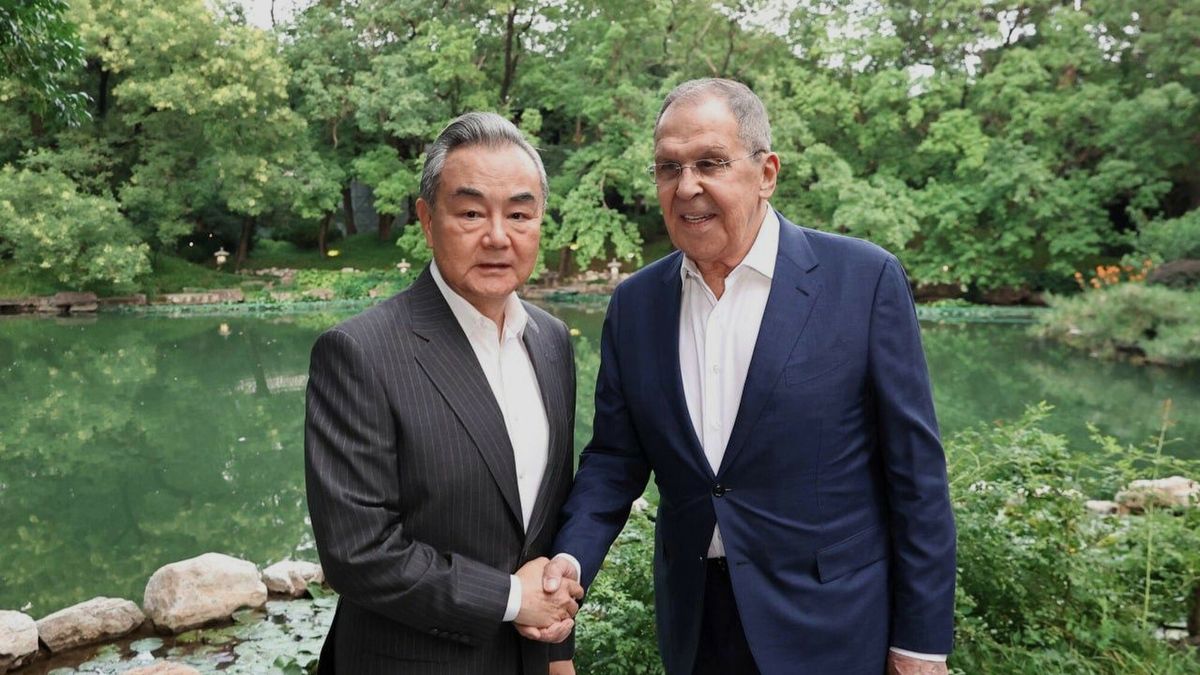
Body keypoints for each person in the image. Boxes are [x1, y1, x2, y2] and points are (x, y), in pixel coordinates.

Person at [528, 79, 957, 674]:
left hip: (833, 628)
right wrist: (569, 563)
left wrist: (920, 644)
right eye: (668, 167)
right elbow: (614, 461)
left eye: (710, 162)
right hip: (697, 625)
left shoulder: (863, 281)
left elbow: (917, 478)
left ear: (767, 172)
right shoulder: (635, 305)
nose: (687, 187)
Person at [305, 111, 581, 675]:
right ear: (428, 221)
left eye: (520, 214)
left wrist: (556, 652)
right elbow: (358, 553)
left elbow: (542, 521)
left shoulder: (550, 341)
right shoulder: (360, 352)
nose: (498, 236)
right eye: (472, 212)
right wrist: (509, 598)